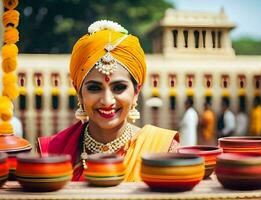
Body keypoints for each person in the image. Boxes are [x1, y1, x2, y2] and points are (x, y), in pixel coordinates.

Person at [38, 20, 179, 182]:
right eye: (94, 88)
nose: (107, 101)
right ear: (79, 92)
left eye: (119, 87)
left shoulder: (162, 148)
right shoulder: (51, 151)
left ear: (136, 92)